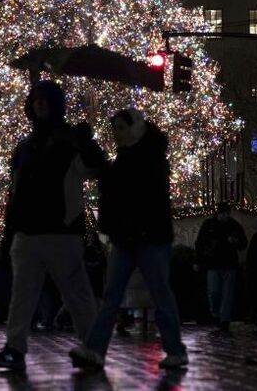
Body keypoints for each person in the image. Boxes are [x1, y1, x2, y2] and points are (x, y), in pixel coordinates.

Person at [0, 80, 105, 371]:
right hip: (28, 231)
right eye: (36, 98)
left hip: (60, 230)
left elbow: (96, 168)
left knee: (75, 293)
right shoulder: (24, 147)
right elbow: (14, 192)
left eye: (45, 98)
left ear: (56, 104)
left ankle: (93, 348)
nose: (40, 103)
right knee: (23, 295)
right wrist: (9, 232)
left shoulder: (68, 140)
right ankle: (15, 349)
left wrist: (86, 142)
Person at [70, 109, 188, 370]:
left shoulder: (149, 157)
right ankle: (95, 350)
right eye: (115, 129)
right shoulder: (131, 157)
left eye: (121, 128)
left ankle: (174, 349)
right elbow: (114, 184)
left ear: (135, 128)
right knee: (115, 294)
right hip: (131, 236)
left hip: (147, 236)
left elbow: (131, 191)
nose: (117, 134)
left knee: (157, 293)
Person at [195, 201, 247, 332]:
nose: (224, 216)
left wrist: (236, 242)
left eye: (226, 213)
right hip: (213, 264)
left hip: (229, 264)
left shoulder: (234, 225)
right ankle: (217, 313)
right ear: (217, 213)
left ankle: (224, 318)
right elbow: (200, 243)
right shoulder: (209, 225)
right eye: (222, 213)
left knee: (227, 293)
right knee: (214, 292)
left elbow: (243, 243)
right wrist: (199, 260)